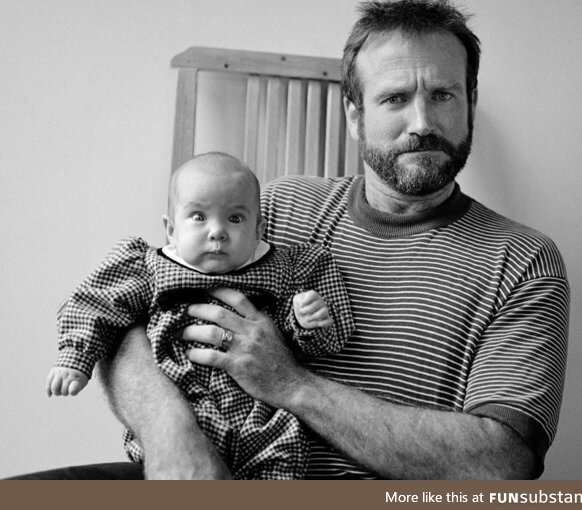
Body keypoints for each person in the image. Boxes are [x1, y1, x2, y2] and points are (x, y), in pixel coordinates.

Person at [10, 0, 569, 480]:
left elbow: (502, 464)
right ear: (355, 116)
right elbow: (127, 306)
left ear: (470, 104)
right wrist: (171, 436)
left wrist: (290, 384)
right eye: (394, 98)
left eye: (444, 95)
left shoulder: (523, 260)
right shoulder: (275, 208)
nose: (421, 121)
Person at [44, 151, 354, 479]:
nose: (217, 232)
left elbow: (317, 341)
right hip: (185, 412)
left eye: (235, 218)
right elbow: (99, 303)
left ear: (259, 229)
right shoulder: (152, 268)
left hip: (263, 420)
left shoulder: (283, 269)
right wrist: (75, 356)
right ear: (171, 229)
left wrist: (306, 319)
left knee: (283, 456)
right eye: (198, 217)